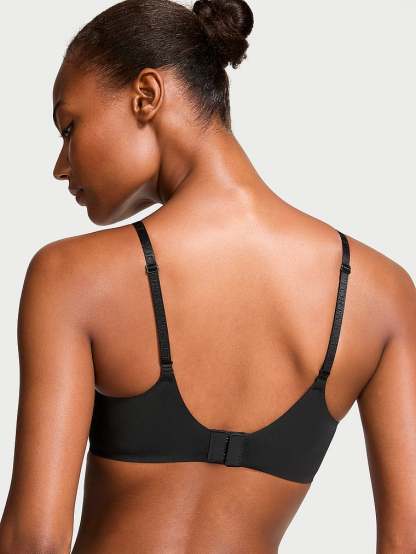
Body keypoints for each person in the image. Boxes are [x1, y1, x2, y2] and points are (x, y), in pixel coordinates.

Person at [1, 0, 415, 552]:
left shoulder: (71, 276)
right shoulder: (381, 292)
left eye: (68, 126)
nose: (60, 165)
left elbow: (35, 540)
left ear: (146, 95)